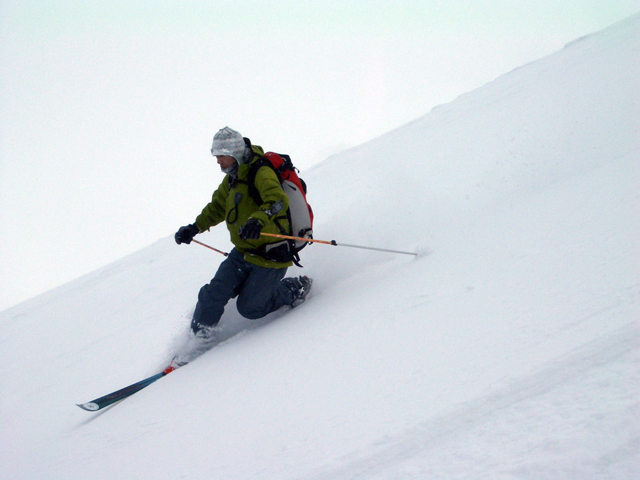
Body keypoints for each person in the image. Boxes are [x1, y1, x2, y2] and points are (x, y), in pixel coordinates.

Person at [173, 127, 312, 364]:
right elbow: (217, 208)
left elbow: (278, 200)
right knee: (212, 295)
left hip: (271, 256)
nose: (218, 161)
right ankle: (197, 344)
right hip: (243, 253)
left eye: (221, 156)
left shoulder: (261, 172)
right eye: (216, 156)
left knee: (250, 308)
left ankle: (295, 288)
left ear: (234, 153)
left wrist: (258, 220)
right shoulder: (232, 178)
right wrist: (194, 228)